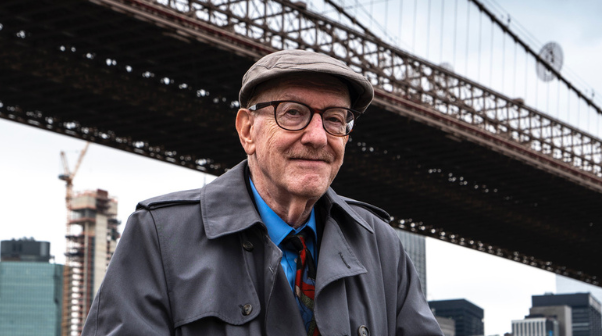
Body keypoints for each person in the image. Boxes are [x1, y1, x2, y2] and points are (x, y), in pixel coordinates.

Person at [81, 50, 443, 336]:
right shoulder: (159, 237)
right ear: (247, 131)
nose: (318, 136)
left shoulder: (381, 245)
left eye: (334, 118)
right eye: (293, 112)